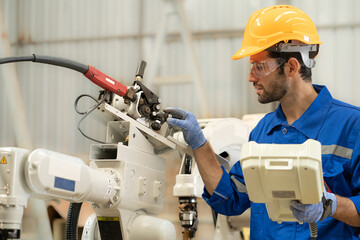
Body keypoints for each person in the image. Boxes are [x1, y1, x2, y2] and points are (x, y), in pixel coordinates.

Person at [165, 5, 360, 240]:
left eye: (259, 66)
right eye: (251, 67)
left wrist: (331, 206)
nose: (251, 77)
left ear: (291, 67)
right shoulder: (262, 132)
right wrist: (199, 142)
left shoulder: (351, 126)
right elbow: (232, 198)